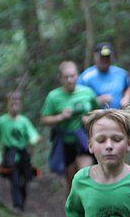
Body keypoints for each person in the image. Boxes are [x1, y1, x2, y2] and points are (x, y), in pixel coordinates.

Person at [41, 60, 98, 193]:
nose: (70, 80)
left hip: (84, 140)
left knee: (84, 177)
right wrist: (60, 117)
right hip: (66, 143)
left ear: (77, 75)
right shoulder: (53, 96)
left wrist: (89, 119)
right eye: (66, 77)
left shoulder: (87, 92)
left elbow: (96, 112)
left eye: (72, 76)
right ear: (60, 78)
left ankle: (88, 204)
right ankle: (71, 205)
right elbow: (44, 120)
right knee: (72, 183)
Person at [0, 90, 40, 212]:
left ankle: (22, 205)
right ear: (7, 104)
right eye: (12, 101)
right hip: (9, 156)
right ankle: (17, 206)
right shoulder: (2, 121)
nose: (15, 104)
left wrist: (34, 140)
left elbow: (32, 134)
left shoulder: (24, 121)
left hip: (23, 155)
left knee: (24, 181)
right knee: (14, 181)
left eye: (17, 101)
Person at [78, 42, 130, 109]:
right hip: (96, 114)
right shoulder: (85, 77)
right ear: (95, 57)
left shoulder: (122, 73)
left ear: (112, 57)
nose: (105, 60)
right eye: (102, 57)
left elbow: (128, 87)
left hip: (118, 113)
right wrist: (97, 101)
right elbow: (77, 99)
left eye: (107, 57)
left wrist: (126, 98)